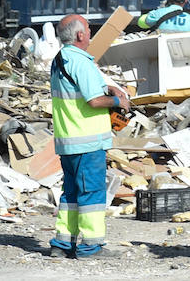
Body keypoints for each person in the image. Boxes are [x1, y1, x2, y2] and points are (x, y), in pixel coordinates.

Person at [47, 14, 130, 259]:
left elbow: (79, 91)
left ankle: (62, 245)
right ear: (80, 35)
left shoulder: (60, 60)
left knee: (70, 194)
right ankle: (91, 247)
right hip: (88, 140)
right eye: (88, 29)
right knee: (92, 195)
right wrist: (118, 101)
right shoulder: (82, 63)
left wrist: (107, 88)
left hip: (68, 140)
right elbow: (94, 101)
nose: (91, 33)